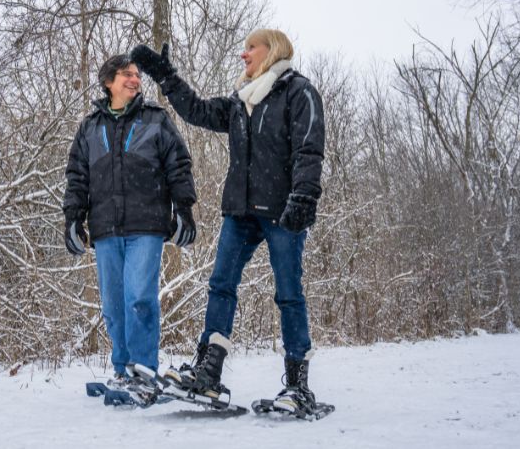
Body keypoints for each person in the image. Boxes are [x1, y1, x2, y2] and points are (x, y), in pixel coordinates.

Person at [129, 29, 327, 417]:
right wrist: (164, 75)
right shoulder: (241, 102)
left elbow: (309, 148)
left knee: (288, 293)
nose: (243, 54)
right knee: (221, 284)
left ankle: (297, 384)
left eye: (251, 47)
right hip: (240, 211)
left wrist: (304, 196)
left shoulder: (298, 92)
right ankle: (209, 371)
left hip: (283, 209)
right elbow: (197, 110)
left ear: (273, 51)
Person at [63, 53, 198, 402]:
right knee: (113, 305)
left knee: (139, 298)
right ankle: (123, 370)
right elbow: (77, 175)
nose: (135, 80)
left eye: (137, 75)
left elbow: (179, 164)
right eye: (127, 74)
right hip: (106, 228)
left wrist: (183, 209)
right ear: (109, 81)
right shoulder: (90, 127)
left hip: (147, 225)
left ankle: (144, 371)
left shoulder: (155, 120)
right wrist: (74, 218)